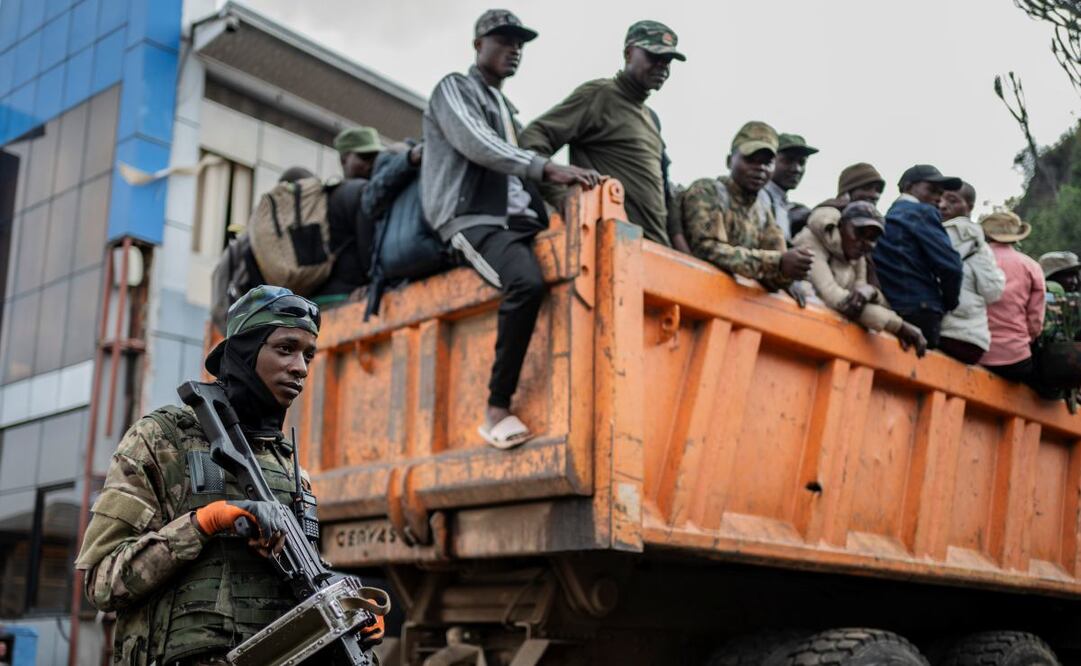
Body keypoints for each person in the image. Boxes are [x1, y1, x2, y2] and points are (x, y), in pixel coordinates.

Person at [74, 286, 385, 666]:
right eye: (285, 349)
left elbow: (300, 584)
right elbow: (101, 583)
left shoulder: (287, 467)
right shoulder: (162, 439)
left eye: (308, 355)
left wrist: (348, 610)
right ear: (245, 351)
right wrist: (205, 522)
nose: (300, 368)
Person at [421, 9, 601, 449]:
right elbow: (477, 143)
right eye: (503, 40)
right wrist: (547, 167)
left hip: (516, 223)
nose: (514, 49)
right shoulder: (453, 89)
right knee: (525, 282)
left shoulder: (507, 110)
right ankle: (496, 410)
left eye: (519, 43)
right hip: (471, 219)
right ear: (477, 45)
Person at [520, 20, 686, 248]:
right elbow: (533, 138)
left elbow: (665, 191)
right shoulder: (600, 95)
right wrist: (564, 198)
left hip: (652, 248)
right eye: (653, 57)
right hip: (612, 244)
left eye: (667, 61)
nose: (662, 67)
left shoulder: (651, 118)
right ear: (629, 54)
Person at [682, 121, 814, 291]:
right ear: (729, 161)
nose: (760, 168)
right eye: (751, 160)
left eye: (767, 163)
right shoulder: (708, 192)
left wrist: (794, 268)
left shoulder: (763, 212)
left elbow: (776, 274)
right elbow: (707, 250)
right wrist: (777, 263)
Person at [795, 202, 927, 355]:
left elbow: (858, 302)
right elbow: (835, 298)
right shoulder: (811, 240)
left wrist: (872, 292)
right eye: (859, 232)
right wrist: (898, 326)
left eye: (872, 238)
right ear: (841, 225)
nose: (865, 243)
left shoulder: (857, 257)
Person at [314, 128, 422, 305]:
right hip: (347, 297)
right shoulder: (360, 192)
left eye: (375, 157)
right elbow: (369, 253)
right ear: (344, 159)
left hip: (319, 298)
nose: (371, 164)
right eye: (364, 157)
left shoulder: (328, 194)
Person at [871, 164, 963, 348]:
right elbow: (951, 267)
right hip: (922, 309)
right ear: (908, 187)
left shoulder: (885, 219)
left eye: (940, 194)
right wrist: (949, 303)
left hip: (891, 308)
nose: (938, 199)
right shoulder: (922, 212)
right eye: (932, 190)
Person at [937, 182, 1005, 363]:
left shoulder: (934, 236)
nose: (943, 205)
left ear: (970, 207)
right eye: (940, 198)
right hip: (973, 340)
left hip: (941, 333)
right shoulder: (980, 247)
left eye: (952, 200)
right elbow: (993, 292)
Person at [980, 212, 1045, 383]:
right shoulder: (1031, 266)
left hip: (975, 352)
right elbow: (1035, 322)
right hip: (1016, 358)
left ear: (986, 234)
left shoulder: (972, 260)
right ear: (1016, 237)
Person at [761, 133, 818, 240]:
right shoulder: (760, 198)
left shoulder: (783, 204)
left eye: (802, 162)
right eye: (788, 161)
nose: (797, 169)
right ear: (770, 161)